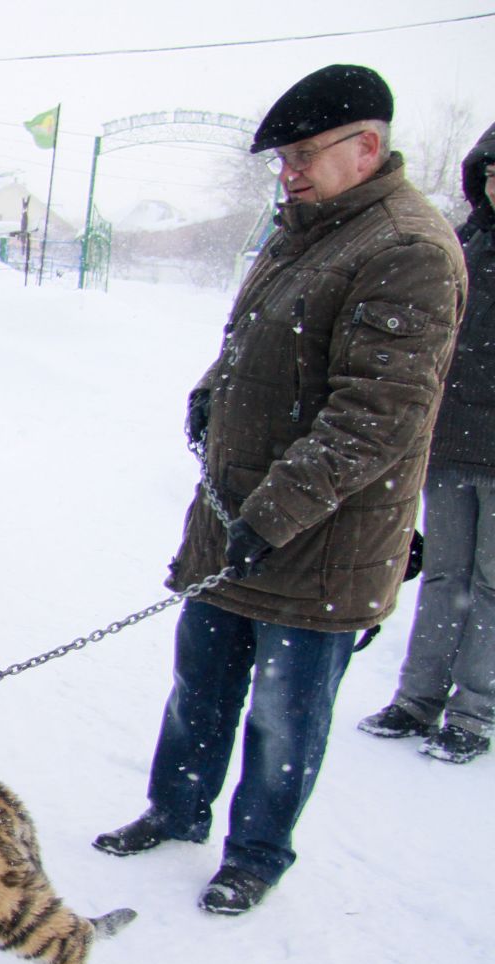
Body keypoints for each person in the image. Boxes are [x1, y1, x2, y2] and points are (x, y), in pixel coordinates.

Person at [93, 65, 469, 915]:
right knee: (202, 684)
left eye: (303, 154)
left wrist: (273, 514)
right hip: (237, 523)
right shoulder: (302, 228)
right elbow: (250, 338)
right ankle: (176, 808)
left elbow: (376, 414)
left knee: (284, 715)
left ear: (366, 145)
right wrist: (208, 393)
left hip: (322, 542)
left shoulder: (406, 248)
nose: (288, 171)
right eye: (282, 158)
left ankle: (257, 853)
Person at [356, 121, 495, 765]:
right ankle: (418, 698)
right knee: (443, 577)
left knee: (491, 586)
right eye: (491, 173)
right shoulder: (458, 246)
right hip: (450, 446)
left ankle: (475, 711)